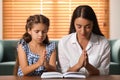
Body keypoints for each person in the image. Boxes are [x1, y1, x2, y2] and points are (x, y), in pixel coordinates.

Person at [58, 5, 110, 76]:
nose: (83, 32)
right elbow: (63, 72)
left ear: (93, 24)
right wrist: (78, 65)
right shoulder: (63, 43)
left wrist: (88, 66)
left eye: (88, 27)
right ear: (74, 24)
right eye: (79, 26)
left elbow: (104, 72)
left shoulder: (103, 43)